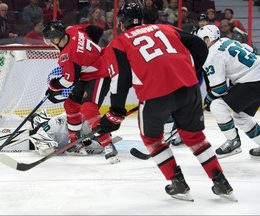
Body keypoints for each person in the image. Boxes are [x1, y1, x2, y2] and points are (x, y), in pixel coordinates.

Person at [98, 2, 236, 201]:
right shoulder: (166, 28)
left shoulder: (118, 43)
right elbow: (198, 45)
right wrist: (191, 71)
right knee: (195, 137)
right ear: (142, 20)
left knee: (152, 139)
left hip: (155, 95)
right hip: (189, 89)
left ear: (121, 24)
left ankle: (177, 182)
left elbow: (120, 80)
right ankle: (221, 181)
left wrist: (116, 112)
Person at [42, 21, 120, 164]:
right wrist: (90, 54)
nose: (50, 43)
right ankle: (75, 143)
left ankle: (108, 145)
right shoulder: (72, 29)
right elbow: (96, 30)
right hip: (88, 74)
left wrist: (53, 86)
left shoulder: (67, 55)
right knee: (71, 105)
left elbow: (69, 81)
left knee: (88, 109)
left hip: (100, 73)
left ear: (58, 37)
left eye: (51, 39)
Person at [197, 25, 260, 160]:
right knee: (241, 117)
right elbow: (250, 49)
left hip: (253, 81)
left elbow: (219, 88)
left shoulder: (211, 54)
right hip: (256, 77)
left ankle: (233, 142)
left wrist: (208, 98)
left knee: (217, 105)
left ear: (208, 39)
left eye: (201, 40)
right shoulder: (228, 41)